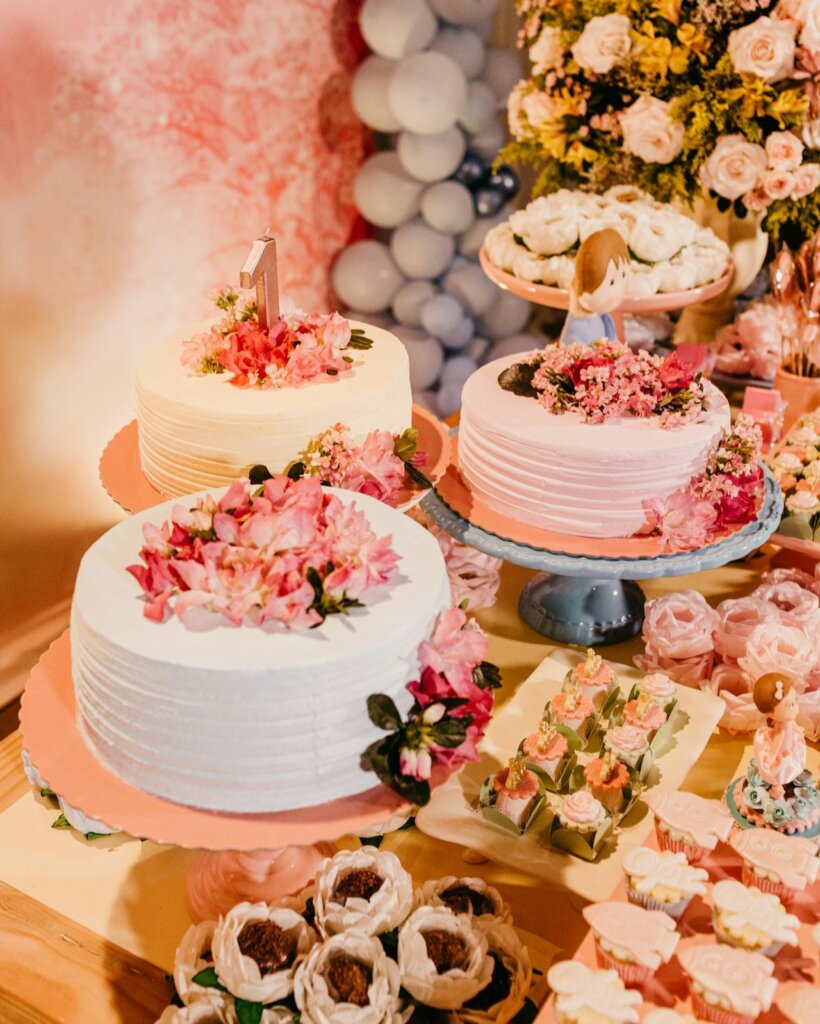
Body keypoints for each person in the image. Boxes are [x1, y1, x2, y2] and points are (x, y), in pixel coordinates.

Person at [560, 228, 629, 346]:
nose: (618, 290)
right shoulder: (578, 330)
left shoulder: (604, 318)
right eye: (611, 282)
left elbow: (612, 345)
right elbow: (574, 359)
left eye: (623, 275)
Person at [752, 673, 806, 797]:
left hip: (789, 746)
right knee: (780, 771)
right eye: (790, 705)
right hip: (781, 751)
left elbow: (793, 724)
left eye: (794, 701)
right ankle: (776, 789)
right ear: (770, 713)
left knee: (790, 766)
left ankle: (785, 783)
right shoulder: (780, 730)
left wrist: (798, 730)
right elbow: (777, 741)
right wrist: (771, 756)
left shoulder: (788, 720)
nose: (795, 707)